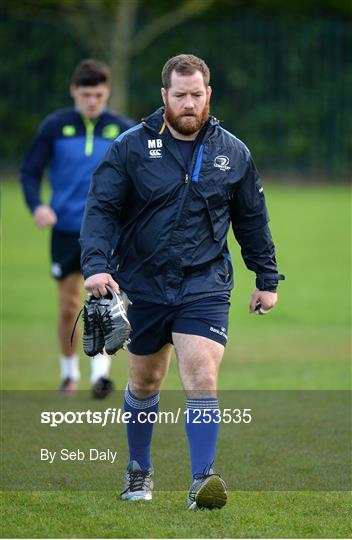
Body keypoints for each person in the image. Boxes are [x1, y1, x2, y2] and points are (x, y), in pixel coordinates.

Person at [80, 54, 284, 508]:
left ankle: (202, 480)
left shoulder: (233, 152)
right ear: (164, 97)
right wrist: (96, 265)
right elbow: (101, 210)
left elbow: (252, 220)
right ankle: (139, 471)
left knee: (202, 377)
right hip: (143, 283)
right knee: (146, 381)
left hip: (204, 283)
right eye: (180, 96)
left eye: (197, 95)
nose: (189, 104)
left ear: (208, 94)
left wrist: (266, 276)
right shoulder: (131, 148)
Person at [20, 59, 134, 398]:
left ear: (107, 92)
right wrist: (37, 205)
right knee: (70, 306)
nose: (92, 101)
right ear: (74, 91)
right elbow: (29, 172)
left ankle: (101, 375)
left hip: (108, 231)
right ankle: (69, 374)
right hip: (67, 229)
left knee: (105, 302)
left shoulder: (122, 130)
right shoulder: (55, 127)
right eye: (86, 94)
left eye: (98, 94)